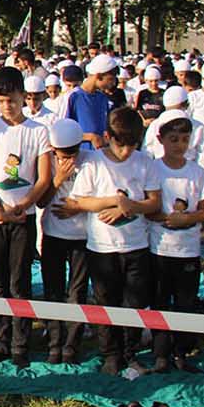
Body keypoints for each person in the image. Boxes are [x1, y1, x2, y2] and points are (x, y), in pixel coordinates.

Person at [66, 107, 159, 376]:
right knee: (106, 301)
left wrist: (127, 207)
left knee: (134, 302)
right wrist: (113, 201)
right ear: (107, 136)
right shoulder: (94, 162)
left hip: (136, 245)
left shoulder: (145, 162)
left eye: (133, 145)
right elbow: (80, 200)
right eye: (121, 145)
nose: (126, 151)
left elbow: (154, 201)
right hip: (102, 247)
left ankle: (130, 352)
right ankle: (110, 352)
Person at [0, 67, 51, 365]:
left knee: (20, 281)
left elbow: (43, 178)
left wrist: (22, 207)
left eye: (13, 100)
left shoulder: (38, 131)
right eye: (1, 100)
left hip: (23, 217)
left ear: (24, 97)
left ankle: (21, 343)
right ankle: (1, 339)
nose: (7, 106)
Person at [144, 110, 204, 372]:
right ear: (161, 139)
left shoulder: (198, 172)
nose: (180, 145)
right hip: (159, 248)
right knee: (160, 300)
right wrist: (167, 218)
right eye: (174, 139)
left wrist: (188, 218)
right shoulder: (153, 169)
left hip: (188, 249)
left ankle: (181, 351)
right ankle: (160, 353)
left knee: (185, 303)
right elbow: (148, 207)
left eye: (184, 139)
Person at [37, 118, 90, 363]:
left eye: (73, 153)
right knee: (53, 290)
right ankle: (54, 342)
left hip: (82, 237)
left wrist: (77, 207)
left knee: (77, 292)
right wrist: (58, 179)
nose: (69, 158)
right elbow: (40, 200)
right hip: (53, 233)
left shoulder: (91, 161)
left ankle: (72, 344)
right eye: (62, 153)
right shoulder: (46, 161)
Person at [66, 55, 119, 150]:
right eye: (110, 79)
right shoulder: (73, 97)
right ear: (98, 76)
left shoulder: (102, 98)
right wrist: (90, 137)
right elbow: (63, 132)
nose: (113, 83)